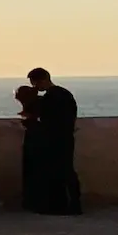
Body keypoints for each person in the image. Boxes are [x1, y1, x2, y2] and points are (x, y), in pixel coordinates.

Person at [27, 67, 81, 214]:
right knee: (67, 171)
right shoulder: (65, 94)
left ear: (42, 80)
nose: (35, 87)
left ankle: (59, 206)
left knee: (57, 172)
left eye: (35, 83)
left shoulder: (51, 98)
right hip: (66, 138)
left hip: (54, 139)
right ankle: (73, 205)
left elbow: (44, 119)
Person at [15, 83, 44, 210]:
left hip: (37, 141)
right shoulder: (37, 103)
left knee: (35, 172)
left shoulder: (37, 105)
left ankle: (35, 202)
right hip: (34, 140)